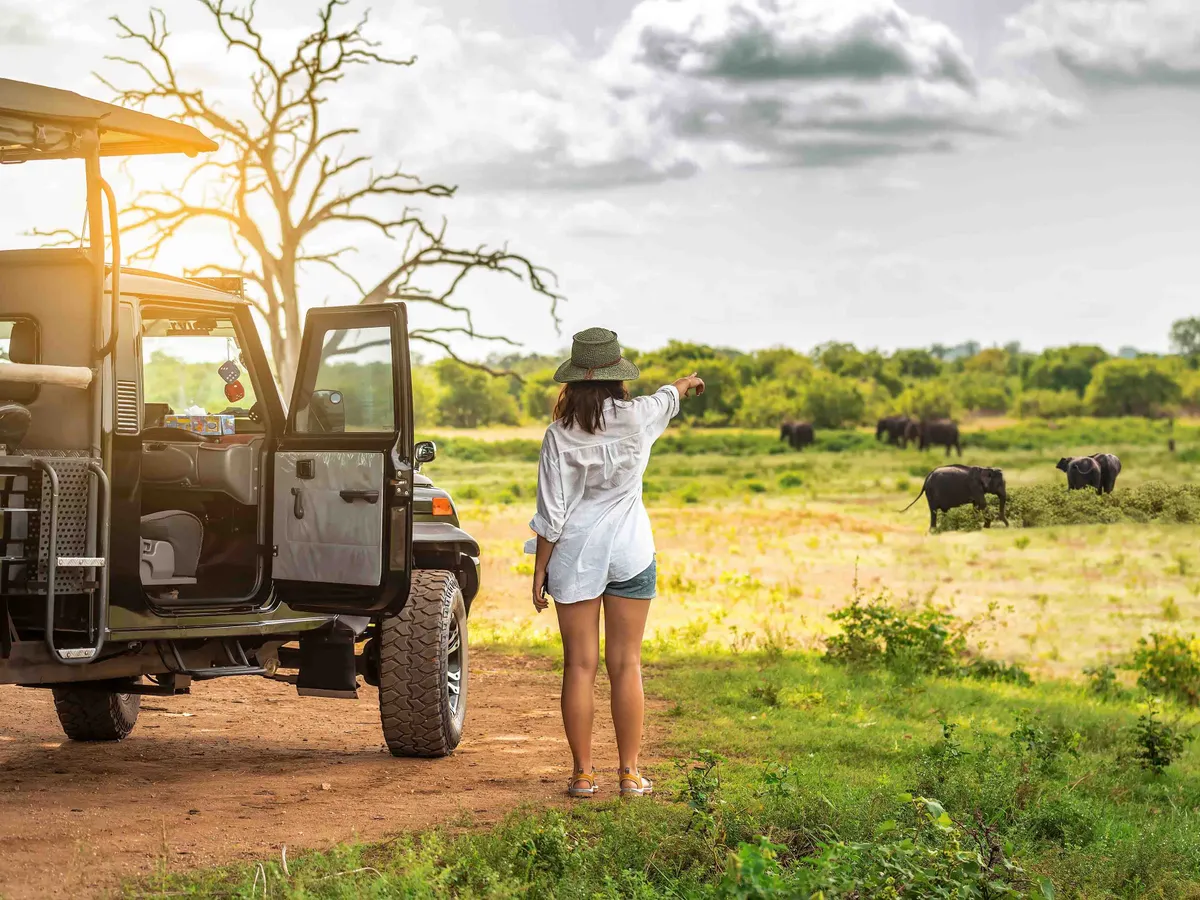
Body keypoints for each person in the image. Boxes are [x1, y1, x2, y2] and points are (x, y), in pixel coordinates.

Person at [529, 327, 704, 799]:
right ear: (617, 377)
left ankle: (583, 775)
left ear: (572, 382)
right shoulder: (639, 416)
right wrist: (686, 383)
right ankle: (629, 774)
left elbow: (552, 513)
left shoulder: (557, 435)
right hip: (631, 552)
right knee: (626, 664)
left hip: (575, 557)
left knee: (579, 666)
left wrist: (539, 570)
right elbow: (667, 398)